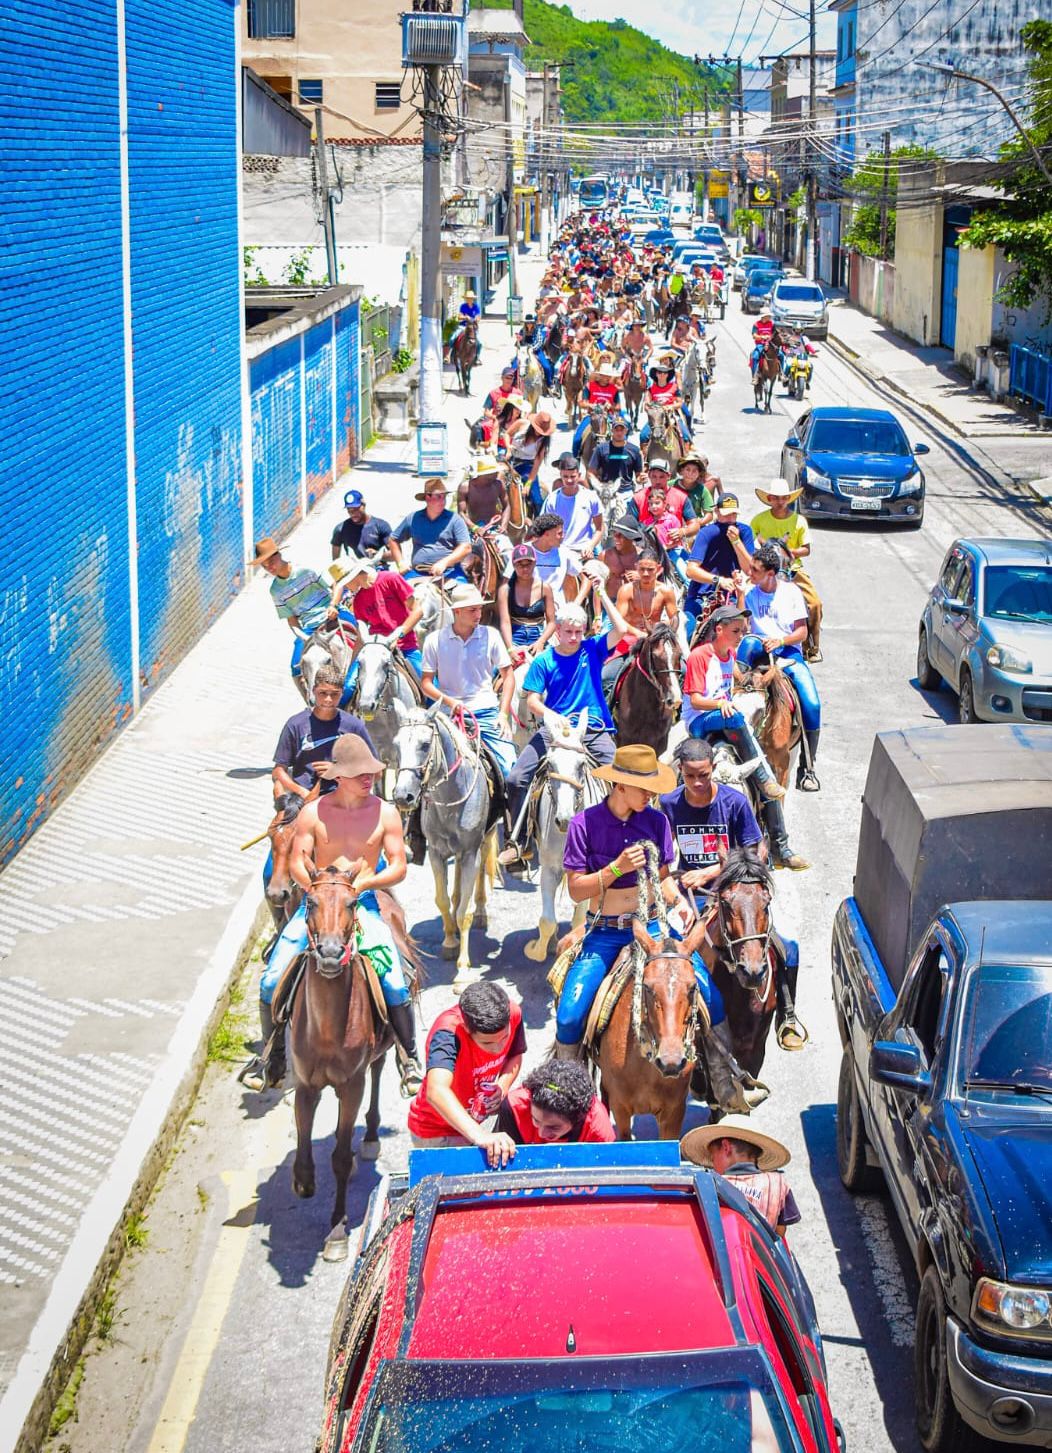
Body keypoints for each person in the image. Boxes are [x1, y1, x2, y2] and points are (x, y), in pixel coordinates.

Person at [243, 734, 423, 1095]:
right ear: (339, 776)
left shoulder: (386, 813)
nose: (369, 778)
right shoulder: (313, 813)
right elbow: (297, 862)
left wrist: (363, 886)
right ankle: (272, 1058)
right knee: (271, 976)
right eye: (360, 773)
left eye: (371, 771)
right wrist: (317, 890)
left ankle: (409, 1058)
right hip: (318, 906)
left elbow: (400, 866)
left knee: (395, 980)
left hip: (363, 904)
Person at [662, 739, 808, 1046]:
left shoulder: (734, 802)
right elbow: (663, 859)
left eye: (704, 774)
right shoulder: (670, 804)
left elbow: (752, 853)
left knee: (788, 947)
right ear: (680, 772)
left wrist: (711, 872)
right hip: (692, 894)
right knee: (668, 956)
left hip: (737, 889)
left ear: (713, 768)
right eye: (690, 776)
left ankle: (788, 1016)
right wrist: (679, 890)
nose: (698, 783)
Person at [498, 590, 629, 868]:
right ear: (557, 630)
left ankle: (626, 837)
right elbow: (532, 701)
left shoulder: (592, 649)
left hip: (593, 728)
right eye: (568, 631)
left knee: (625, 778)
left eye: (578, 632)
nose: (573, 637)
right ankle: (520, 840)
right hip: (554, 730)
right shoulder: (545, 660)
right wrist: (553, 715)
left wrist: (603, 592)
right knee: (516, 778)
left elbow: (621, 628)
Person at [407, 980, 524, 1167]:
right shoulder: (447, 1032)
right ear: (467, 1029)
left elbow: (515, 1055)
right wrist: (481, 1136)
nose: (498, 1048)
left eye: (505, 1037)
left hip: (476, 1125)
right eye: (487, 1043)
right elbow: (436, 1091)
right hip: (437, 1132)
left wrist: (502, 1086)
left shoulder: (513, 1013)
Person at [681, 605, 786, 804]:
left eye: (743, 632)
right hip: (698, 719)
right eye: (736, 631)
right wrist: (721, 704)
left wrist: (762, 677)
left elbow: (740, 681)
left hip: (723, 717)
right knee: (735, 717)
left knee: (747, 724)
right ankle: (763, 779)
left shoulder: (731, 654)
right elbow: (695, 701)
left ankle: (777, 833)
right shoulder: (699, 656)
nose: (740, 637)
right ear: (719, 630)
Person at [740, 543, 822, 792]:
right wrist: (739, 595)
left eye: (755, 570)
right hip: (758, 650)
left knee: (811, 702)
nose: (749, 573)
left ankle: (807, 766)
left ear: (770, 573)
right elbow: (743, 628)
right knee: (740, 665)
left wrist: (781, 640)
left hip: (788, 653)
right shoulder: (750, 593)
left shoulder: (791, 593)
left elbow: (802, 631)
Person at [420, 582, 516, 777]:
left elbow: (509, 676)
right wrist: (450, 702)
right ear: (457, 611)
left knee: (510, 770)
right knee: (422, 771)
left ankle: (509, 807)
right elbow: (426, 684)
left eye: (480, 609)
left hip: (487, 713)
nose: (478, 614)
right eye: (472, 610)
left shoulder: (491, 635)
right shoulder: (434, 640)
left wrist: (503, 714)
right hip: (449, 716)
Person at [271, 663, 377, 800]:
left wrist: (339, 770)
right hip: (303, 797)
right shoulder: (295, 724)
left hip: (344, 798)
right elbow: (279, 770)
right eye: (323, 693)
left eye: (334, 694)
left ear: (342, 694)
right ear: (314, 690)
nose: (328, 699)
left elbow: (375, 770)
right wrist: (301, 792)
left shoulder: (354, 727)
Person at [680, 1118, 800, 1238]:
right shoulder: (778, 1184)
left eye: (712, 1158)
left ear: (726, 1147)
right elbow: (780, 1234)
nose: (713, 1165)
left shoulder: (707, 1187)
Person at [750, 477, 822, 661]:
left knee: (814, 604)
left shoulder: (799, 521)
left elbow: (806, 549)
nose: (779, 501)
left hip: (792, 568)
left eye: (783, 498)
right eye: (775, 498)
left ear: (788, 499)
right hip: (766, 569)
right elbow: (751, 543)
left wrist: (787, 552)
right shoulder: (759, 520)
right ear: (770, 499)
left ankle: (811, 647)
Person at [254, 536, 342, 683]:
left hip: (332, 615)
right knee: (296, 669)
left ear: (279, 555)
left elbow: (336, 584)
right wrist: (302, 635)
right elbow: (291, 619)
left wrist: (333, 605)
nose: (270, 567)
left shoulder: (306, 569)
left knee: (358, 638)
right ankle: (311, 703)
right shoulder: (275, 590)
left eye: (271, 562)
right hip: (308, 628)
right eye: (264, 566)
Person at [602, 545, 679, 695]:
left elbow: (674, 617)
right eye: (642, 569)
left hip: (656, 640)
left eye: (650, 570)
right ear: (636, 567)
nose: (645, 573)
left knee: (681, 669)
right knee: (607, 676)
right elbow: (619, 621)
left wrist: (662, 629)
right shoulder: (627, 590)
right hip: (628, 640)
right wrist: (639, 633)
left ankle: (679, 709)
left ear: (658, 569)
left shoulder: (666, 591)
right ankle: (608, 711)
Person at [333, 560, 424, 676]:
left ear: (353, 577)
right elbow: (361, 636)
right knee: (348, 687)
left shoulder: (391, 578)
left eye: (345, 583)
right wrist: (350, 665)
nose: (346, 587)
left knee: (427, 683)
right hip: (373, 650)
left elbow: (418, 611)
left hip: (404, 645)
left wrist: (398, 635)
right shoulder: (358, 600)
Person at [682, 496, 756, 639]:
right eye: (726, 513)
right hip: (701, 596)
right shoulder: (707, 532)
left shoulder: (745, 531)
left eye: (733, 514)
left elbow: (749, 569)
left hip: (732, 596)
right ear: (716, 511)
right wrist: (718, 580)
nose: (730, 518)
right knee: (687, 633)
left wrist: (736, 542)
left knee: (741, 635)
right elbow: (691, 570)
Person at [496, 1059, 616, 1145]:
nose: (542, 1133)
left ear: (578, 1119)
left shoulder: (599, 1133)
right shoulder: (512, 1107)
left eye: (554, 1127)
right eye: (535, 1120)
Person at [393, 478, 472, 583]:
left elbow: (466, 547)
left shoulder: (455, 519)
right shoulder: (413, 518)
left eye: (444, 497)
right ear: (427, 498)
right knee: (398, 594)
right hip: (418, 572)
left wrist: (444, 562)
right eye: (438, 497)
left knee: (466, 594)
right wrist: (400, 563)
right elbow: (393, 540)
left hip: (449, 571)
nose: (443, 501)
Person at [497, 542, 556, 666]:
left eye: (528, 564)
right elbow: (505, 622)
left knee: (554, 669)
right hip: (514, 636)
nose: (525, 569)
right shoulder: (505, 590)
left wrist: (541, 642)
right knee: (499, 670)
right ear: (513, 565)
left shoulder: (545, 588)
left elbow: (551, 622)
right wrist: (510, 648)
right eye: (520, 564)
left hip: (538, 635)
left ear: (534, 563)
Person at [549, 454, 603, 560]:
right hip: (561, 551)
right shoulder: (552, 499)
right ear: (560, 475)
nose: (569, 480)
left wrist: (590, 546)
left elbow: (600, 528)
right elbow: (547, 529)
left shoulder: (591, 497)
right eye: (565, 476)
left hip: (584, 550)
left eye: (572, 476)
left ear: (579, 475)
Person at [330, 489, 399, 567]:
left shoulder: (381, 526)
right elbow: (335, 562)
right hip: (355, 572)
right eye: (349, 510)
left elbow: (395, 554)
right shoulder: (340, 529)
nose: (353, 513)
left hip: (378, 570)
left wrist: (378, 556)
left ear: (364, 505)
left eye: (356, 509)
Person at [527, 512, 581, 604]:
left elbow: (586, 576)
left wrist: (577, 603)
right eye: (559, 533)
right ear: (546, 534)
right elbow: (507, 582)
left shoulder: (564, 553)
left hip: (557, 611)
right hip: (529, 610)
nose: (563, 536)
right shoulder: (523, 551)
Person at [587, 415, 644, 493]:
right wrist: (599, 487)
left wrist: (641, 479)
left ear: (626, 431)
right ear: (612, 430)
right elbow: (591, 472)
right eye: (616, 429)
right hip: (607, 492)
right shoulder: (601, 449)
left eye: (622, 430)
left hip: (626, 491)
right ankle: (577, 454)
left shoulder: (634, 450)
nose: (619, 433)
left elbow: (638, 476)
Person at [457, 455, 510, 539]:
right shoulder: (465, 487)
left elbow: (506, 506)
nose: (497, 474)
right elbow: (461, 512)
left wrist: (504, 525)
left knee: (507, 550)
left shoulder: (498, 485)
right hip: (473, 530)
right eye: (494, 472)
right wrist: (475, 528)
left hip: (494, 528)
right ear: (484, 474)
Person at [601, 518, 644, 600]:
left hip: (635, 604)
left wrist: (642, 577)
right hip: (610, 603)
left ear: (630, 538)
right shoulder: (605, 556)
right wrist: (597, 612)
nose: (615, 538)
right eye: (614, 534)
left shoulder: (642, 556)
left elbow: (655, 583)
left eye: (620, 535)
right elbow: (598, 589)